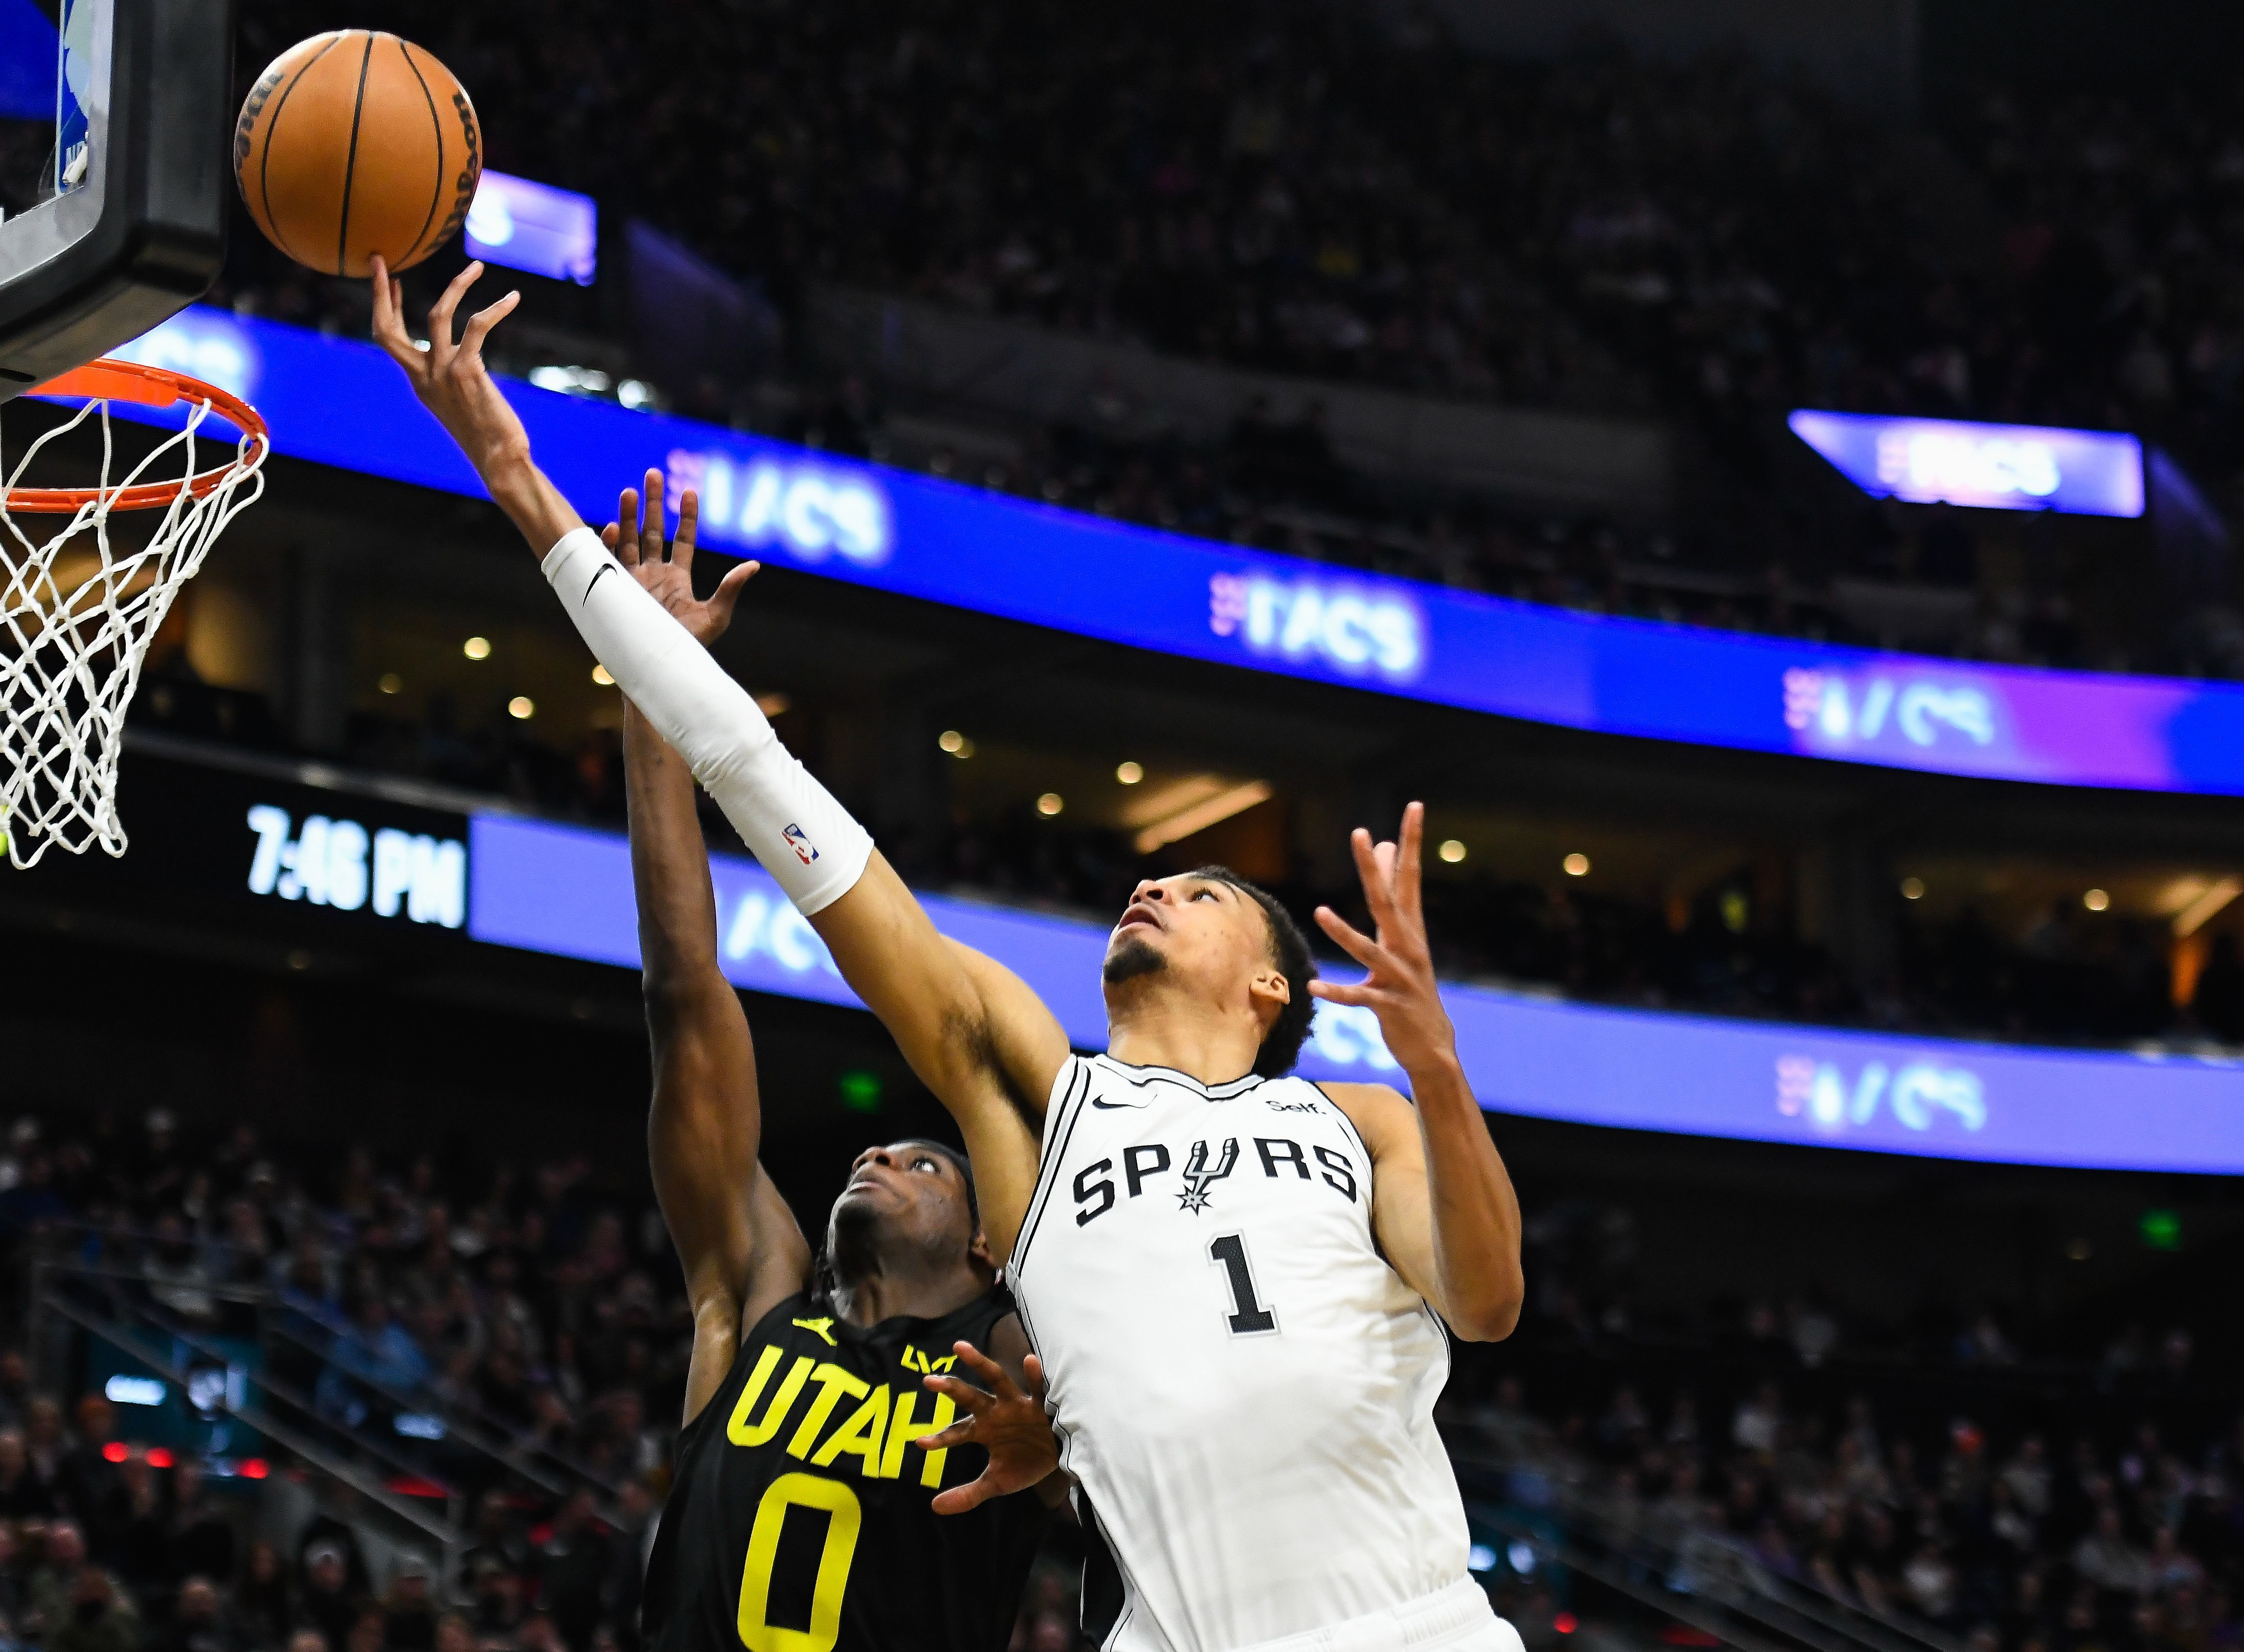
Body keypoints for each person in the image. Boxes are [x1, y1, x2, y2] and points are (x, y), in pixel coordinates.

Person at [377, 257, 1526, 1652]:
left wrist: (1442, 1067)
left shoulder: (1363, 1116)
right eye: (1159, 870)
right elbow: (759, 772)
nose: (1154, 878)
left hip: (1409, 1623)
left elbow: (1485, 1299)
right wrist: (516, 474)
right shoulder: (1035, 1099)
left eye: (1207, 887)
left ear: (1273, 984)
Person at [600, 617, 1053, 1652]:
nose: (877, 1155)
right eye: (875, 1150)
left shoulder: (1006, 1346)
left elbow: (1120, 1478)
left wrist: (1059, 1455)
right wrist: (649, 675)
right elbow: (683, 989)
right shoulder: (753, 1296)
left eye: (924, 1160)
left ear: (989, 1241)